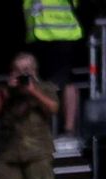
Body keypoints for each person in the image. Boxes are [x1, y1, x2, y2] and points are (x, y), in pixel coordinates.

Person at [24, 0, 86, 134]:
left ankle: (68, 128)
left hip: (60, 36)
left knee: (63, 81)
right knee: (39, 82)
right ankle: (43, 127)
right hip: (37, 37)